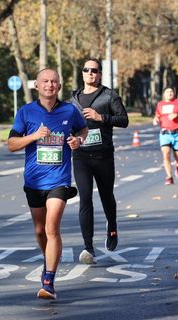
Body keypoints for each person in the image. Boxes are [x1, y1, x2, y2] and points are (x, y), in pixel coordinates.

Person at [7, 68, 88, 300]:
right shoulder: (26, 112)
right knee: (40, 230)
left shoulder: (70, 111)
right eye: (45, 81)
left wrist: (78, 140)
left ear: (59, 87)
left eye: (54, 82)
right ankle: (48, 259)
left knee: (52, 228)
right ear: (37, 86)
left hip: (59, 179)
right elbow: (11, 144)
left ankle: (48, 281)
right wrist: (34, 136)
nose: (50, 85)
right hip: (34, 180)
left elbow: (82, 128)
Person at [70, 57, 129, 264]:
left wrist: (100, 117)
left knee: (106, 196)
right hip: (81, 156)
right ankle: (88, 247)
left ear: (100, 74)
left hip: (103, 156)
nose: (90, 73)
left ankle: (112, 226)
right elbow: (68, 124)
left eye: (94, 70)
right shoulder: (74, 98)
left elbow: (124, 120)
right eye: (86, 70)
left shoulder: (109, 95)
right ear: (82, 73)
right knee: (85, 199)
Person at [152, 87, 178, 185]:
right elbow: (158, 114)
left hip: (177, 133)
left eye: (171, 91)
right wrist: (156, 119)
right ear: (164, 94)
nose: (170, 93)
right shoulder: (160, 104)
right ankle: (169, 176)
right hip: (165, 133)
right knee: (166, 153)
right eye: (167, 92)